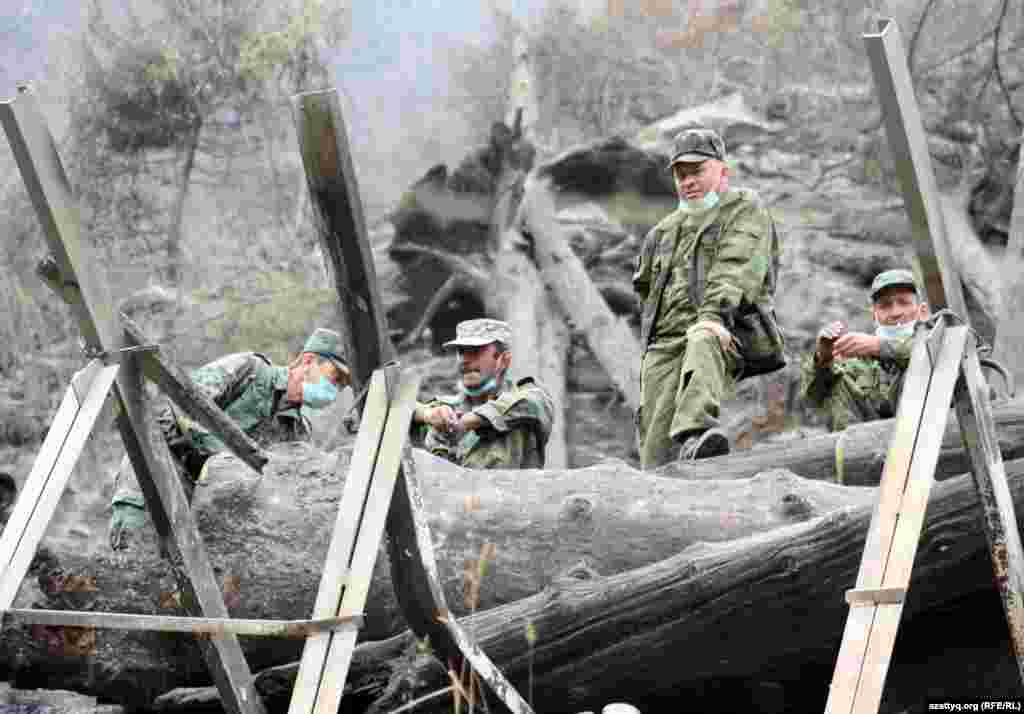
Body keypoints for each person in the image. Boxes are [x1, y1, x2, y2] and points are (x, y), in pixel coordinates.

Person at [108, 328, 351, 548]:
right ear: (308, 361)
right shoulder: (250, 370)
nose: (335, 389)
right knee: (131, 558)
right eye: (335, 377)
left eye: (343, 386)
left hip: (198, 513)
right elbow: (181, 405)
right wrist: (225, 460)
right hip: (157, 468)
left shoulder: (297, 433)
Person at [632, 127, 777, 468]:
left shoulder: (743, 208)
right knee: (653, 452)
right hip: (663, 347)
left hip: (724, 332)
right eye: (681, 174)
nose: (688, 181)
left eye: (697, 171)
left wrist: (713, 316)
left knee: (702, 337)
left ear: (722, 171)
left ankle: (698, 438)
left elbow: (737, 267)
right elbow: (646, 291)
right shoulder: (661, 232)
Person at [410, 318, 554, 469]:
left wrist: (467, 422)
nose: (464, 360)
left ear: (504, 360)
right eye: (461, 352)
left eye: (474, 351)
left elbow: (531, 402)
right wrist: (428, 414)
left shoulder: (531, 400)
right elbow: (395, 411)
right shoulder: (446, 409)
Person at [800, 269, 928, 432]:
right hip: (873, 443)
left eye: (904, 302)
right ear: (874, 315)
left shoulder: (943, 334)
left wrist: (880, 346)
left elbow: (931, 353)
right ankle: (854, 452)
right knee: (837, 381)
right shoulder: (860, 357)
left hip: (928, 437)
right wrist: (824, 359)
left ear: (922, 311)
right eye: (885, 306)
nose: (895, 312)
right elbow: (812, 401)